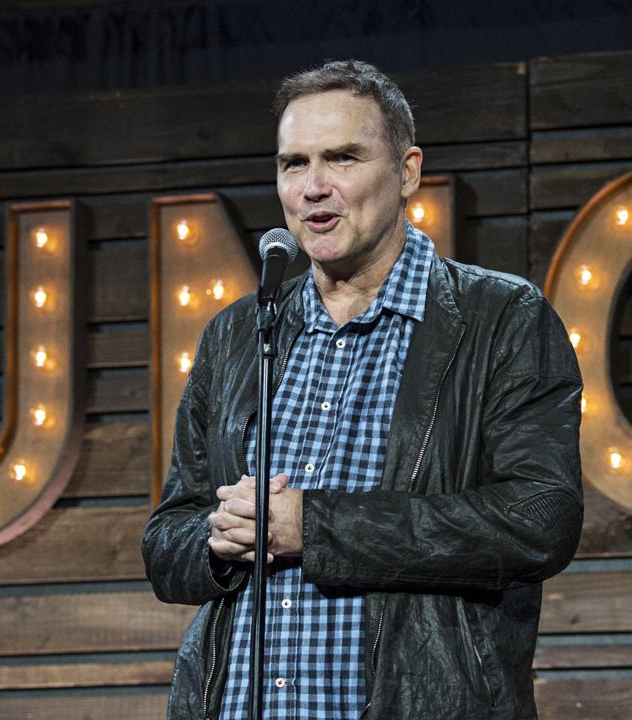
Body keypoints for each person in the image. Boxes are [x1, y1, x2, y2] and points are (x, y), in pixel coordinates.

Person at [142, 59, 583, 719]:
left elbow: (538, 520)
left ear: (407, 172)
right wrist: (224, 537)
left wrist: (315, 528)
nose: (314, 187)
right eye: (294, 164)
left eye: (342, 158)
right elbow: (165, 541)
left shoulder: (499, 319)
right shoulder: (240, 333)